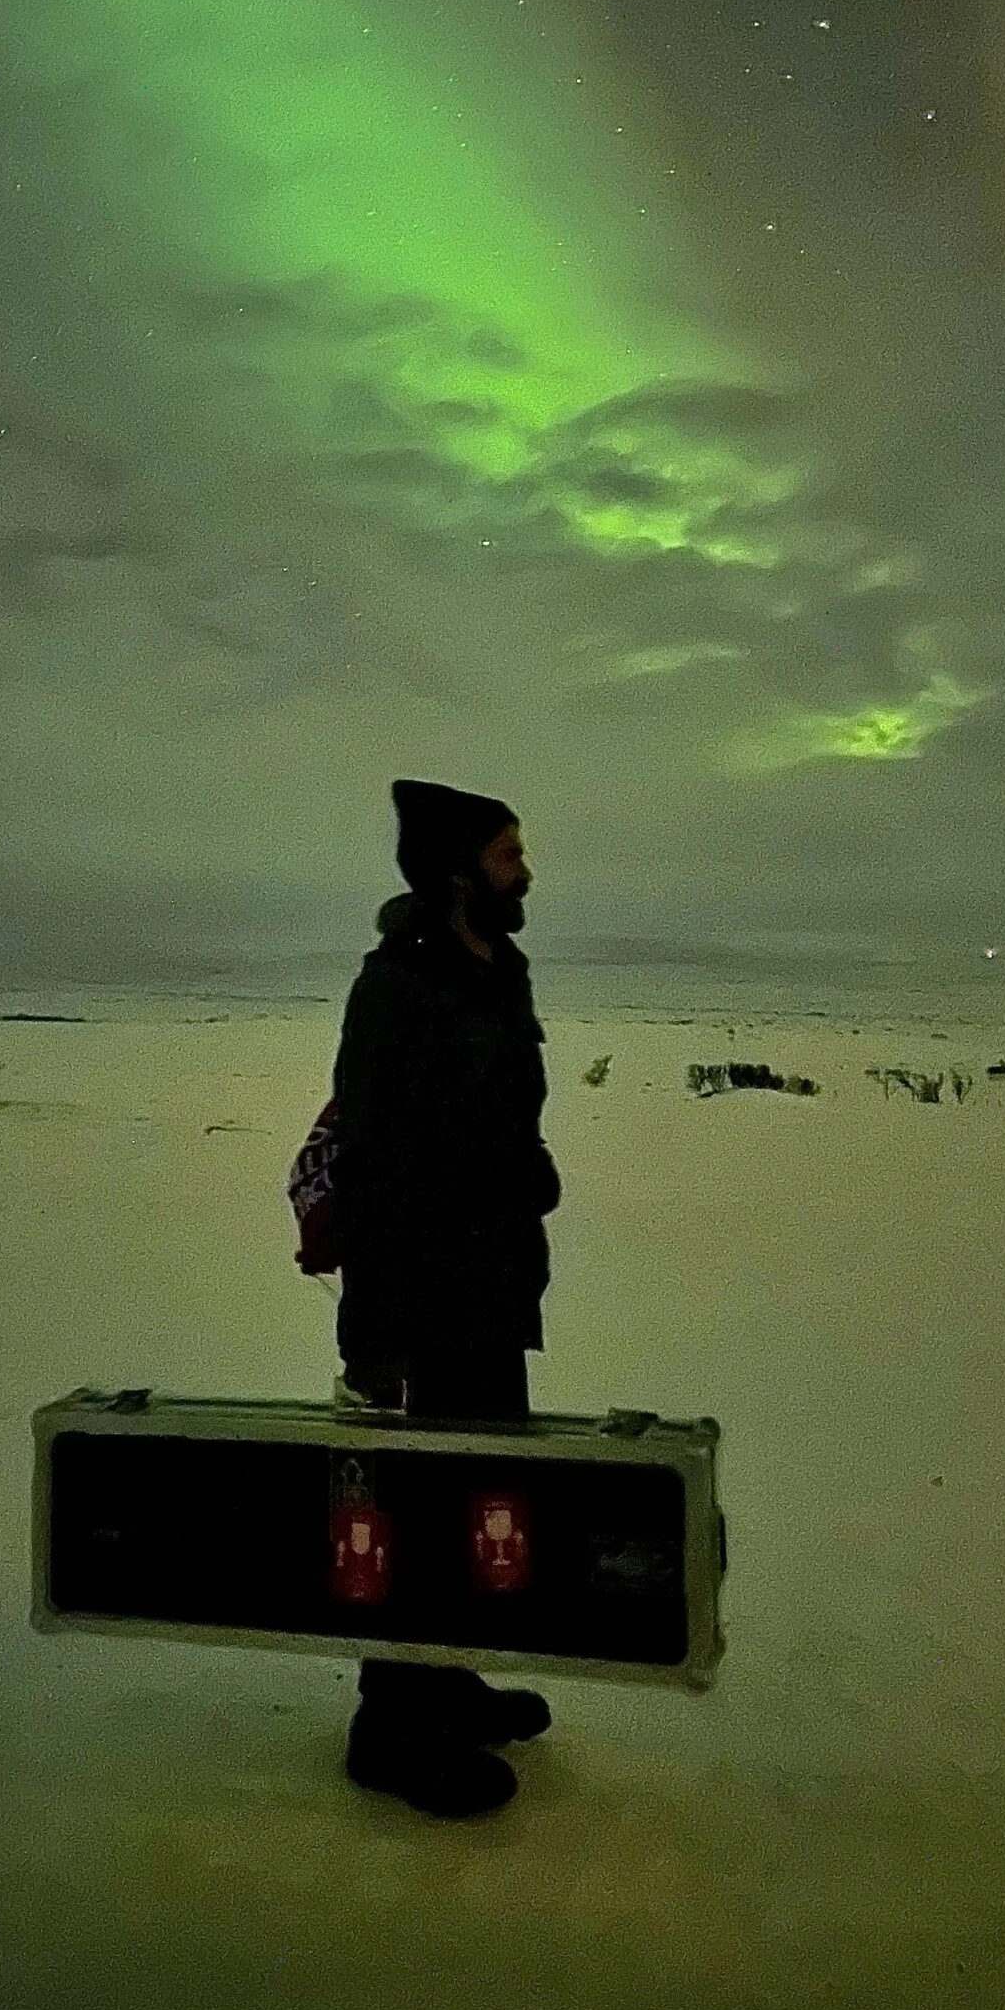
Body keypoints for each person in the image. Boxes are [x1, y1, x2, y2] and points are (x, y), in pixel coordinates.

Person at [333, 778, 563, 1818]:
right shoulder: (398, 986)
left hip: (494, 1285)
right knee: (418, 1511)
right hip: (420, 1297)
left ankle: (451, 1679)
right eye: (511, 854)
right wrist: (373, 1332)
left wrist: (531, 1173)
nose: (526, 872)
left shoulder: (499, 972)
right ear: (462, 869)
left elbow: (503, 1120)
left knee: (479, 1497)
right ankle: (389, 1726)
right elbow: (373, 1160)